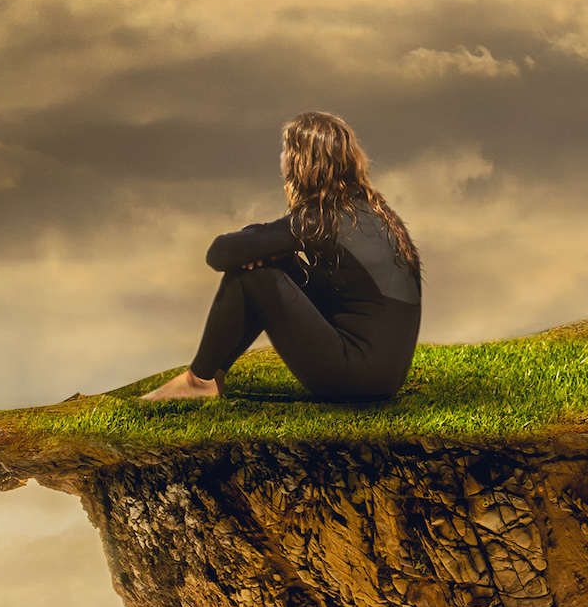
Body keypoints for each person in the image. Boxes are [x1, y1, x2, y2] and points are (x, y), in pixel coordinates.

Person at [142, 111, 422, 403]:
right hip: (384, 378)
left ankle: (199, 380)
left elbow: (220, 253)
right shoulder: (369, 211)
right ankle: (209, 378)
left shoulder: (320, 220)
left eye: (286, 149)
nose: (282, 157)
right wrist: (267, 249)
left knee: (254, 274)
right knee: (273, 261)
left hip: (355, 377)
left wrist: (260, 250)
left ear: (301, 161)